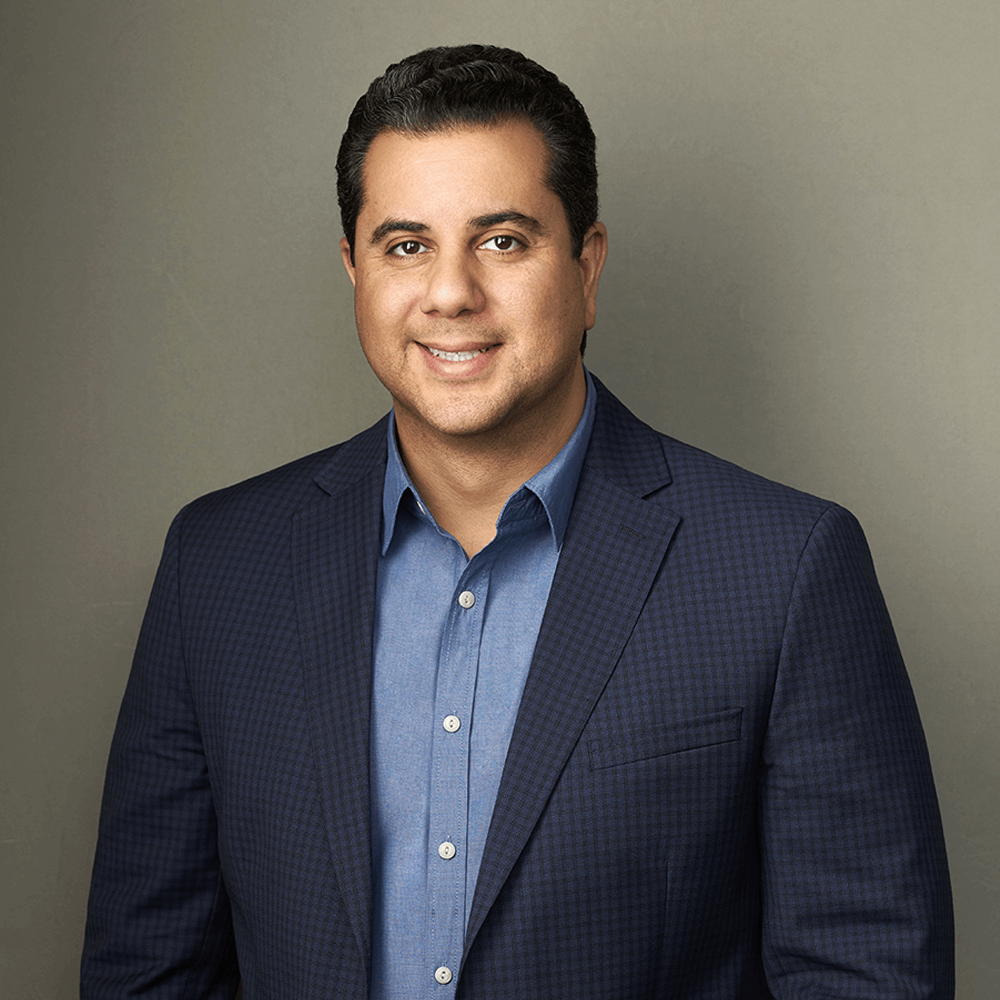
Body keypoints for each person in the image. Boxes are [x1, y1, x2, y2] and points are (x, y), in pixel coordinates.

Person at [81, 44, 954, 999]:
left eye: (501, 241)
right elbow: (148, 972)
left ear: (588, 265)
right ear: (353, 269)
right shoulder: (217, 566)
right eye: (406, 246)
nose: (451, 292)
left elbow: (867, 975)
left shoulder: (784, 569)